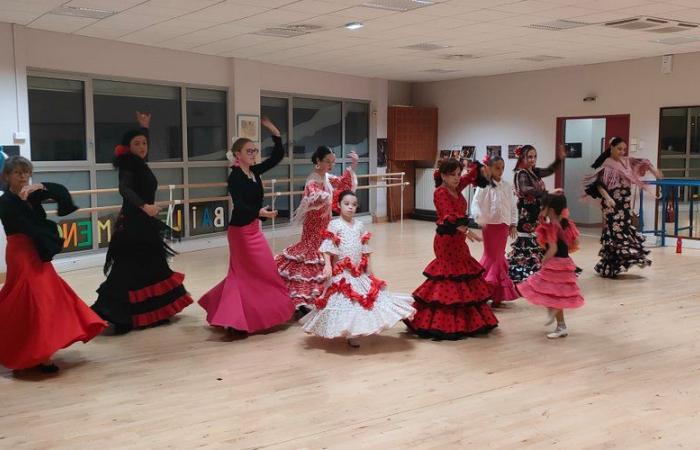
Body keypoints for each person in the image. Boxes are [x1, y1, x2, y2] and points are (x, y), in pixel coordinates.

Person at [0, 156, 106, 373]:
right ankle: (41, 354)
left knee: (48, 296)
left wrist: (43, 186)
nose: (22, 177)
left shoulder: (32, 194)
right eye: (17, 173)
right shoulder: (5, 202)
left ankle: (41, 349)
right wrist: (49, 237)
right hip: (20, 252)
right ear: (7, 176)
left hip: (37, 251)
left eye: (26, 172)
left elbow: (62, 194)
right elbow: (26, 225)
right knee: (35, 298)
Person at [92, 112, 192, 334]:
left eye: (144, 143)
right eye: (137, 143)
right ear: (127, 148)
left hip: (143, 223)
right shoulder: (129, 164)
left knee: (152, 267)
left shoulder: (139, 162)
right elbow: (124, 189)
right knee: (131, 268)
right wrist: (145, 206)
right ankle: (117, 313)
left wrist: (144, 127)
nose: (142, 146)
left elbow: (140, 157)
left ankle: (156, 311)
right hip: (134, 224)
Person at [199, 117, 294, 333]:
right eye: (249, 151)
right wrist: (259, 212)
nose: (253, 154)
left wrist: (275, 132)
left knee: (265, 270)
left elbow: (277, 157)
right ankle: (236, 320)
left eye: (255, 151)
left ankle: (247, 312)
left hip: (253, 229)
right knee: (242, 275)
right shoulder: (235, 178)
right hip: (240, 232)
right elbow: (240, 205)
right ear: (238, 155)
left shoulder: (255, 173)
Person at [300, 191, 415, 347]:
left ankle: (356, 330)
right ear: (338, 205)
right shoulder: (335, 224)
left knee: (364, 300)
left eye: (354, 205)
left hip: (358, 271)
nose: (350, 207)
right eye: (346, 204)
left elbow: (365, 249)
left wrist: (369, 268)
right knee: (347, 302)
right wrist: (327, 265)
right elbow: (328, 247)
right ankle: (349, 332)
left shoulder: (360, 225)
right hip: (342, 272)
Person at [406, 158, 498, 340]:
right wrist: (467, 230)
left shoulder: (456, 187)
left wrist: (481, 167)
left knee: (462, 275)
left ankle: (465, 320)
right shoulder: (440, 193)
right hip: (446, 241)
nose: (457, 178)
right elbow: (448, 215)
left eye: (458, 174)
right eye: (452, 175)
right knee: (448, 276)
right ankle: (442, 321)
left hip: (459, 240)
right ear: (443, 176)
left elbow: (470, 176)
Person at [276, 146, 357, 314]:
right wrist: (327, 196)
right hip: (313, 226)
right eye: (328, 161)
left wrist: (353, 165)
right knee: (312, 257)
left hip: (325, 225)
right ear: (318, 161)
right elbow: (314, 196)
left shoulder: (327, 177)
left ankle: (323, 295)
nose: (331, 165)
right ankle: (305, 299)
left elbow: (344, 183)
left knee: (325, 256)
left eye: (333, 162)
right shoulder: (312, 179)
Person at [583, 137, 662, 278]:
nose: (622, 151)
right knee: (615, 232)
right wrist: (608, 198)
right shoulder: (607, 164)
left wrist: (654, 171)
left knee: (625, 229)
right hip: (612, 204)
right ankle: (610, 265)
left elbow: (643, 161)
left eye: (624, 149)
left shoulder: (626, 161)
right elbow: (599, 185)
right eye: (619, 148)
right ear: (612, 148)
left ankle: (611, 266)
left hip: (625, 203)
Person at [517, 194, 584, 338]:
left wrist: (544, 261)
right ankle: (561, 326)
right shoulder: (567, 223)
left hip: (555, 263)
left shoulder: (552, 226)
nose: (541, 209)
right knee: (555, 292)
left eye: (543, 207)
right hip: (565, 262)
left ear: (551, 210)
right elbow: (576, 242)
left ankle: (553, 311)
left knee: (545, 290)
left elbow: (552, 248)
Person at [507, 144, 566, 282]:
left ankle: (539, 271)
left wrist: (560, 159)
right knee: (528, 244)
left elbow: (550, 170)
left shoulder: (533, 171)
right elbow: (526, 189)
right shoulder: (521, 173)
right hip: (527, 215)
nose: (533, 160)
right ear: (522, 157)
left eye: (534, 157)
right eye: (529, 157)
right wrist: (547, 192)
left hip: (537, 213)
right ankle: (525, 274)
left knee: (538, 243)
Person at [471, 155, 519, 306]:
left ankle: (495, 292)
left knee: (498, 256)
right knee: (492, 255)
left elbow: (512, 205)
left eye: (502, 167)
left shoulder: (506, 185)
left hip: (503, 225)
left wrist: (513, 223)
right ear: (489, 168)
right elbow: (476, 202)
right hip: (490, 225)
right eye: (497, 167)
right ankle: (484, 288)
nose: (500, 170)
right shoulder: (483, 185)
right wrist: (479, 217)